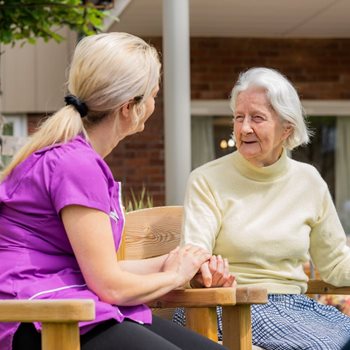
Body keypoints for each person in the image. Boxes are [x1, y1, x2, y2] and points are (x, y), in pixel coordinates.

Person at [0, 32, 229, 350]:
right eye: (152, 96)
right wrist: (174, 276)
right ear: (129, 107)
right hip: (40, 317)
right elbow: (109, 285)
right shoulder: (76, 164)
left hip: (65, 303)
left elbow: (99, 269)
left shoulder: (73, 157)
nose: (153, 105)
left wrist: (178, 262)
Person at [173, 67, 350, 349]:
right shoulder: (206, 179)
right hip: (231, 304)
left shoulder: (309, 181)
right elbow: (195, 255)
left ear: (286, 129)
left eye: (257, 118)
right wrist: (205, 272)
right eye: (238, 117)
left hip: (294, 309)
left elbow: (336, 263)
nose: (244, 128)